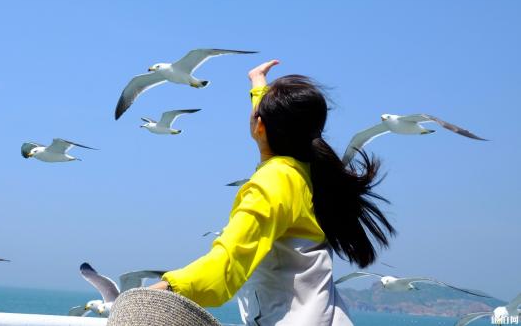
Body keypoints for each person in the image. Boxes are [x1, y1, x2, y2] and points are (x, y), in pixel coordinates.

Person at [148, 60, 395, 325]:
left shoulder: (271, 184)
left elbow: (224, 268)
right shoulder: (306, 170)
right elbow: (275, 116)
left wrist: (157, 293)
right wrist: (257, 82)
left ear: (261, 125)